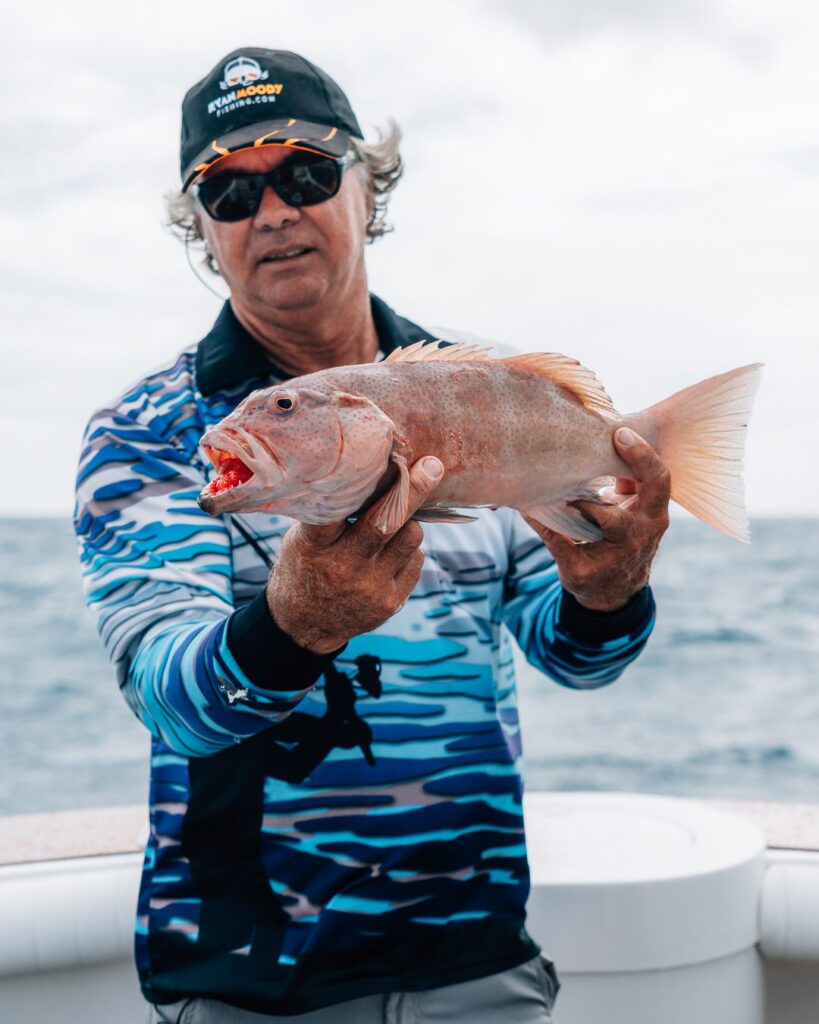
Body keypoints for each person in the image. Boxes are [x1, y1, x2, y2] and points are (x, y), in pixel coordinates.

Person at [74, 47, 669, 1023]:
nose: (273, 211)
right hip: (249, 981)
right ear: (202, 228)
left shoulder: (488, 391)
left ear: (368, 185)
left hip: (476, 962)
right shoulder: (148, 434)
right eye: (229, 191)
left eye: (306, 173)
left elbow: (577, 657)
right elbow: (168, 698)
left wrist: (610, 585)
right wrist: (293, 625)